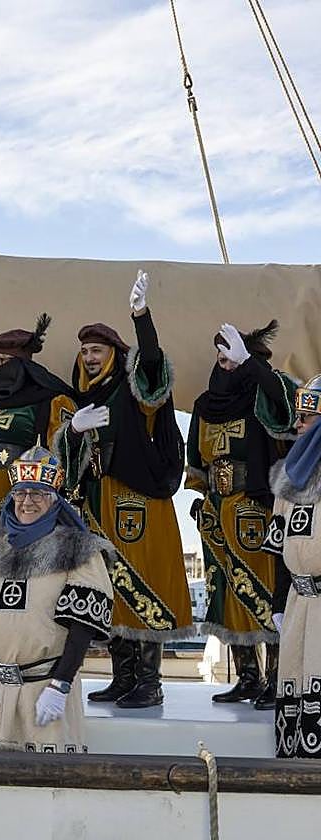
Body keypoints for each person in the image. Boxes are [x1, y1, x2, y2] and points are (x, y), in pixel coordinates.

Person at [56, 270, 192, 709]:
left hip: (138, 502)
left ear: (115, 354)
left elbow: (152, 367)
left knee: (143, 583)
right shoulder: (82, 399)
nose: (89, 357)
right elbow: (65, 460)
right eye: (84, 351)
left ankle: (149, 683)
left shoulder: (134, 389)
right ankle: (123, 676)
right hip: (98, 502)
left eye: (96, 350)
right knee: (107, 586)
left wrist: (141, 317)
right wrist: (72, 431)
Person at [0, 449, 114, 752]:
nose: (27, 502)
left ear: (54, 500)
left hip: (46, 689)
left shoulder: (79, 549)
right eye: (21, 493)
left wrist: (61, 685)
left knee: (50, 787)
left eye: (38, 494)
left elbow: (82, 627)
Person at [0, 314, 76, 700]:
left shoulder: (49, 401)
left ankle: (8, 657)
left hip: (17, 511)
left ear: (20, 364)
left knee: (9, 581)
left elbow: (62, 459)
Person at [186, 322, 294, 710]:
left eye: (233, 358)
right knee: (225, 594)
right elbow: (196, 462)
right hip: (217, 512)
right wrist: (201, 499)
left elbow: (284, 405)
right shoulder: (203, 404)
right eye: (221, 358)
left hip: (257, 508)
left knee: (265, 591)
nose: (226, 364)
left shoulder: (263, 398)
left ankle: (278, 680)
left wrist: (250, 365)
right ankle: (248, 677)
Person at [263, 375, 321, 758]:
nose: (297, 426)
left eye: (305, 417)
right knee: (296, 680)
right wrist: (279, 604)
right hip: (300, 604)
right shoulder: (290, 477)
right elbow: (280, 549)